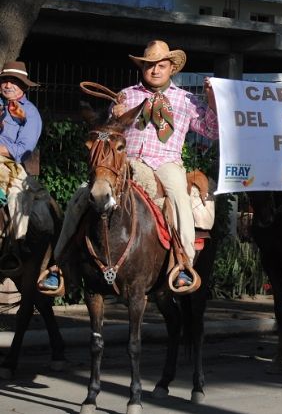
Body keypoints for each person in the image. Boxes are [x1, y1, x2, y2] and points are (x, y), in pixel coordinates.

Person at [40, 40, 218, 292]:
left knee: (179, 196)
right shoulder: (126, 95)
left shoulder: (186, 99)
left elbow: (211, 131)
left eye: (161, 65)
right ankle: (58, 266)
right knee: (79, 198)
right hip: (126, 163)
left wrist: (211, 100)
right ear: (142, 68)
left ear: (171, 69)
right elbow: (108, 135)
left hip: (166, 163)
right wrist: (114, 115)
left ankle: (183, 263)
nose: (155, 70)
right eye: (149, 66)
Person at [0, 62, 43, 256]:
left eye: (13, 81)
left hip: (9, 164)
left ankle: (17, 245)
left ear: (24, 86)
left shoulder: (31, 114)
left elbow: (22, 151)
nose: (7, 85)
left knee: (18, 194)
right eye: (4, 81)